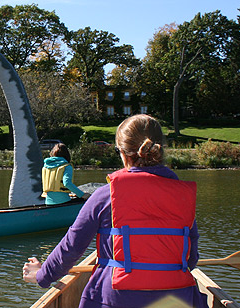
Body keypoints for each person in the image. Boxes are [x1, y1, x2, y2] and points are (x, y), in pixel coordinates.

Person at [22, 114, 206, 307]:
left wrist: (42, 274)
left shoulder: (106, 196)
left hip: (116, 299)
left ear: (123, 153)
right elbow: (191, 259)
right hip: (178, 299)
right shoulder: (183, 196)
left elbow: (71, 247)